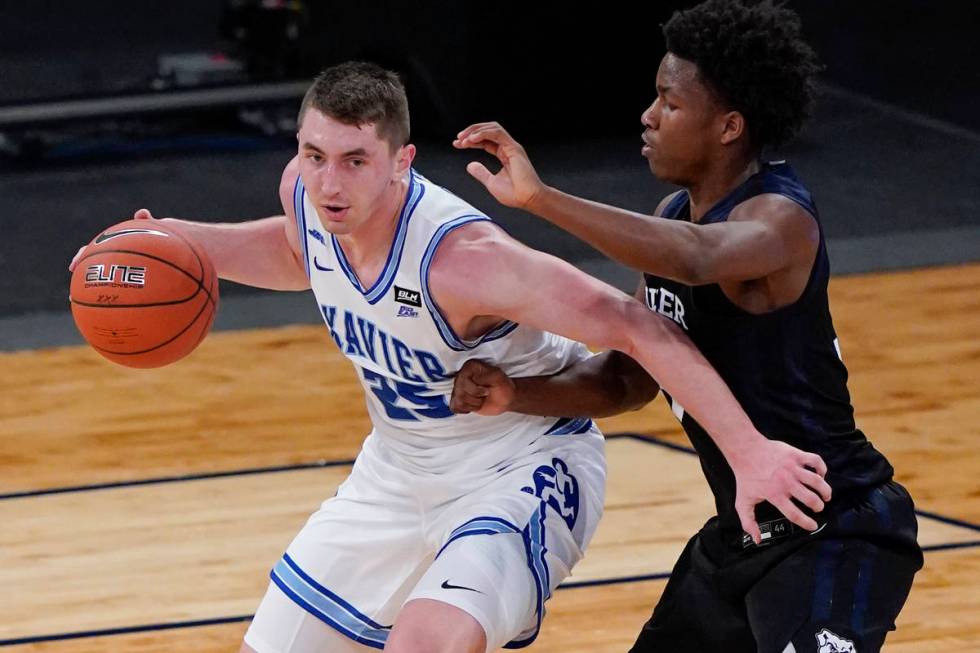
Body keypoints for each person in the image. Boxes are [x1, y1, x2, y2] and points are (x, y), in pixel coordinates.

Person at [70, 61, 830, 653]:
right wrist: (172, 241)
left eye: (354, 161)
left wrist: (750, 451)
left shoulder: (465, 259)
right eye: (314, 155)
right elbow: (299, 249)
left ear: (401, 161)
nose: (329, 182)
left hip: (522, 465)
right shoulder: (308, 195)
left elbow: (635, 324)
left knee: (426, 642)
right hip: (398, 473)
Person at [451, 1, 922, 652]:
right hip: (743, 532)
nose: (647, 115)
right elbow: (626, 380)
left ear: (729, 125)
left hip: (834, 528)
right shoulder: (674, 212)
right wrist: (515, 392)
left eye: (668, 103)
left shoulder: (781, 219)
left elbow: (698, 258)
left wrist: (539, 199)